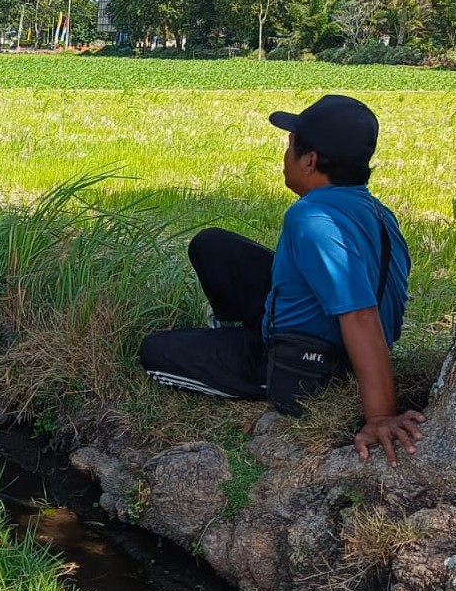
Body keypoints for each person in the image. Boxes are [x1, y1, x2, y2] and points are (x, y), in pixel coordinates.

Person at [138, 94, 426, 466]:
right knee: (213, 245)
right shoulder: (377, 211)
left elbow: (359, 315)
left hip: (310, 363)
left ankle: (255, 365)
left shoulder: (313, 220)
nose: (285, 156)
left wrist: (380, 416)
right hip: (328, 330)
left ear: (310, 160)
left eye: (290, 146)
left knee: (155, 352)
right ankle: (236, 333)